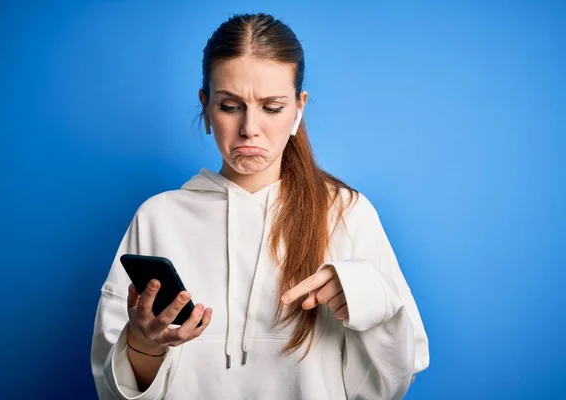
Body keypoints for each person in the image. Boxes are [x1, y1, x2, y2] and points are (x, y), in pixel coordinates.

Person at [90, 12, 429, 400]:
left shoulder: (347, 213)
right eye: (231, 106)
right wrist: (144, 345)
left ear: (298, 109)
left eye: (272, 107)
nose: (250, 128)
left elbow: (397, 379)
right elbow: (111, 390)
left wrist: (365, 298)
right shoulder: (158, 218)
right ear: (205, 105)